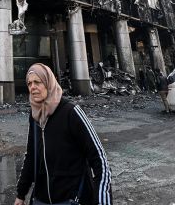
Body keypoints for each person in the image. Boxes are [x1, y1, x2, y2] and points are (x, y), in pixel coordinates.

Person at [15, 63, 112, 205]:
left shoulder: (71, 112)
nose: (32, 87)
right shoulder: (35, 116)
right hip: (41, 200)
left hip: (71, 199)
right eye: (29, 84)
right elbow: (31, 156)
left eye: (37, 82)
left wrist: (103, 201)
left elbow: (99, 160)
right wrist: (20, 194)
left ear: (49, 83)